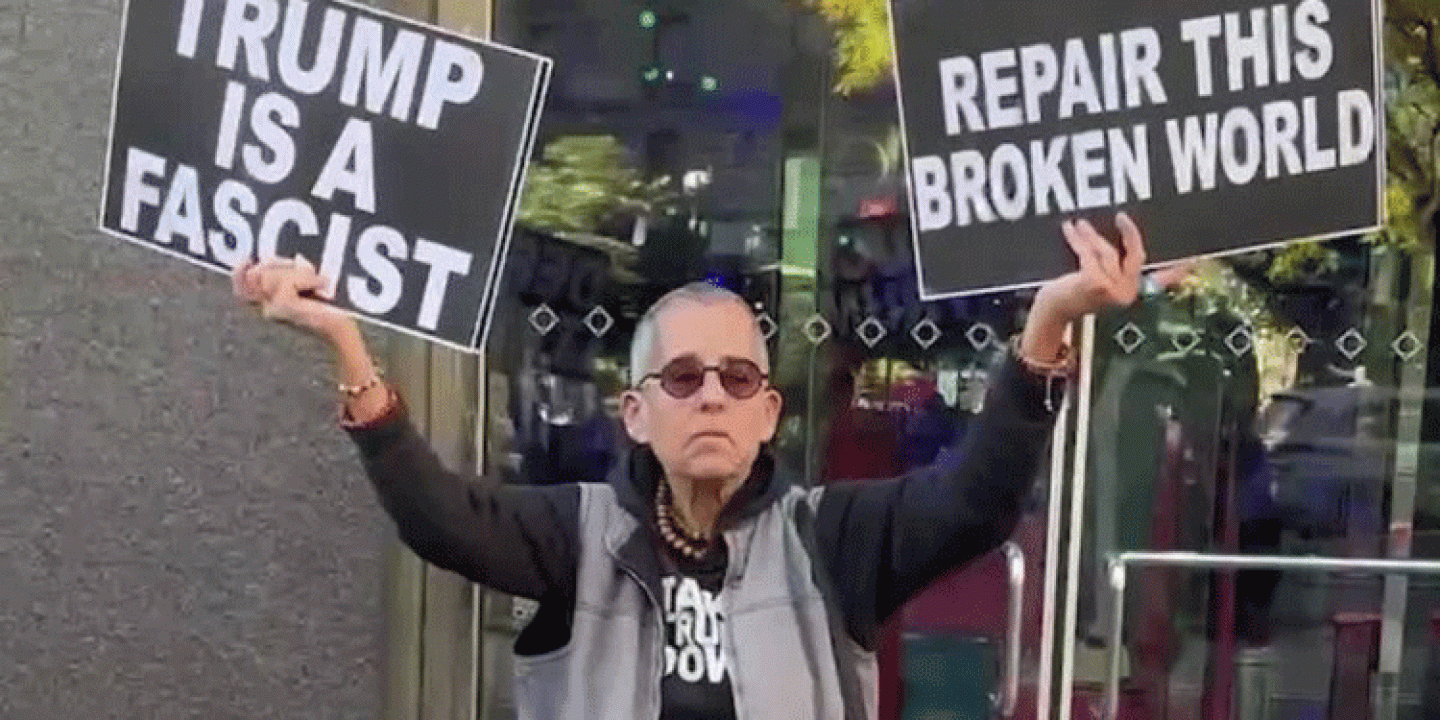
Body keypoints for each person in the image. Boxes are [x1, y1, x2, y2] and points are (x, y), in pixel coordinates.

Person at [233, 214, 1148, 719]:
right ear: (635, 411)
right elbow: (438, 517)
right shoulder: (578, 535)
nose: (710, 395)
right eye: (680, 376)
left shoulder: (828, 540)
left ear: (766, 411)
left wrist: (1050, 323)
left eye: (736, 376)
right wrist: (346, 347)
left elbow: (978, 503)